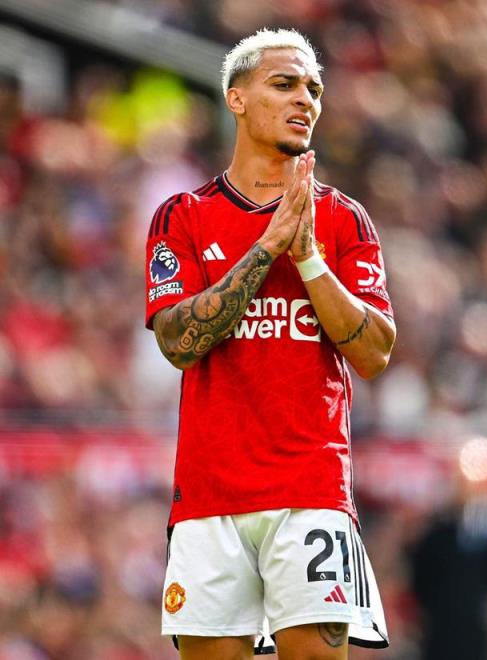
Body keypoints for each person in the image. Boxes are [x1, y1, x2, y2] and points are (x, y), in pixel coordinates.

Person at [145, 28, 396, 660]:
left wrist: (308, 258)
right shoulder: (183, 215)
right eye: (284, 84)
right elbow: (177, 342)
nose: (304, 99)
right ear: (235, 98)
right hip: (210, 493)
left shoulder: (343, 218)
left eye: (314, 89)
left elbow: (375, 353)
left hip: (312, 490)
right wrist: (266, 249)